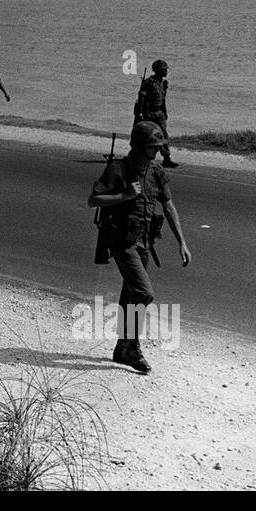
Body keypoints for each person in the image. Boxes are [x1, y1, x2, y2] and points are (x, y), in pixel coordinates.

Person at [88, 121, 192, 374]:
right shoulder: (119, 169)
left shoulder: (156, 171)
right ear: (138, 146)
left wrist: (182, 242)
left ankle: (121, 348)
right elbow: (94, 200)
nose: (157, 152)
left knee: (130, 295)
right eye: (152, 147)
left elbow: (168, 206)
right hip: (122, 242)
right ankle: (133, 347)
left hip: (145, 241)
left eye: (158, 147)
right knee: (143, 293)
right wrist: (124, 196)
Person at [135, 59, 178, 168]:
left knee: (163, 134)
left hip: (159, 112)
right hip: (148, 112)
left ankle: (166, 158)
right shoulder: (149, 82)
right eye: (163, 70)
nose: (166, 72)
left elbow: (163, 99)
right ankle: (139, 156)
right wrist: (140, 113)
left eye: (166, 70)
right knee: (145, 135)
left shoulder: (164, 83)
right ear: (157, 70)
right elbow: (142, 99)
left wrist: (165, 112)